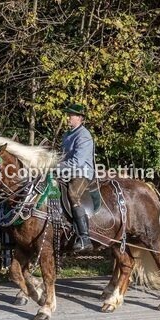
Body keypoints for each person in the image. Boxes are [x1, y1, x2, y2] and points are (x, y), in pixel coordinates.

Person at [57, 103, 95, 251]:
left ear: (79, 118)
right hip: (67, 172)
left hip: (82, 173)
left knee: (72, 194)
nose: (67, 118)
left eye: (70, 115)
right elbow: (64, 157)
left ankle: (85, 238)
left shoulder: (84, 135)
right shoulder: (67, 134)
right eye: (67, 115)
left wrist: (57, 167)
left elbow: (77, 162)